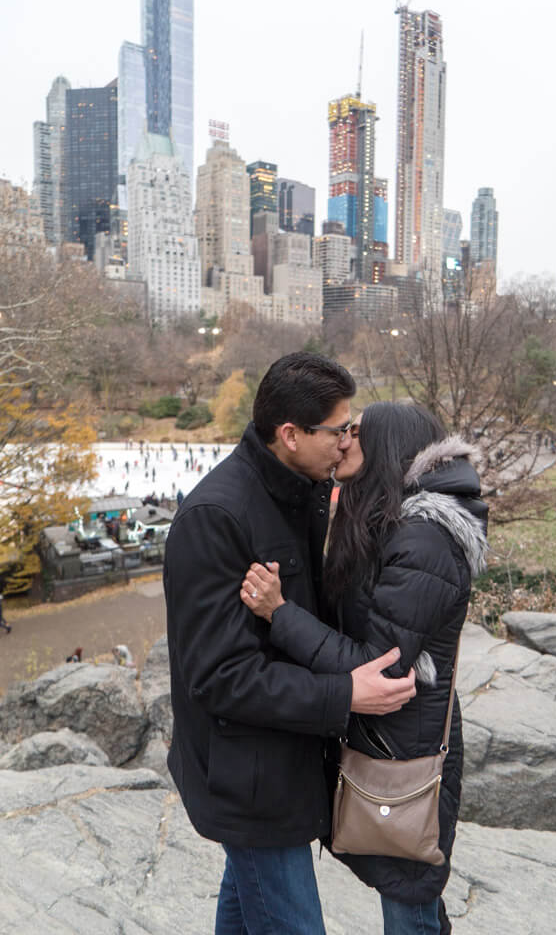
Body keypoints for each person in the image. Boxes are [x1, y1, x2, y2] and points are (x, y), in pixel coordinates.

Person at [163, 353, 417, 935]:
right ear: (290, 434)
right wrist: (343, 694)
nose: (348, 442)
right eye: (339, 430)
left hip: (282, 765)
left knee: (244, 912)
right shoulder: (216, 517)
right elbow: (221, 676)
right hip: (248, 780)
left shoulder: (298, 491)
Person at [242, 402, 489, 935]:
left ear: (390, 448)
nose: (344, 441)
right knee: (406, 888)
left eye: (356, 433)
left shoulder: (424, 538)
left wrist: (280, 616)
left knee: (408, 897)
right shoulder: (385, 518)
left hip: (405, 751)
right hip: (384, 737)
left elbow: (374, 667)